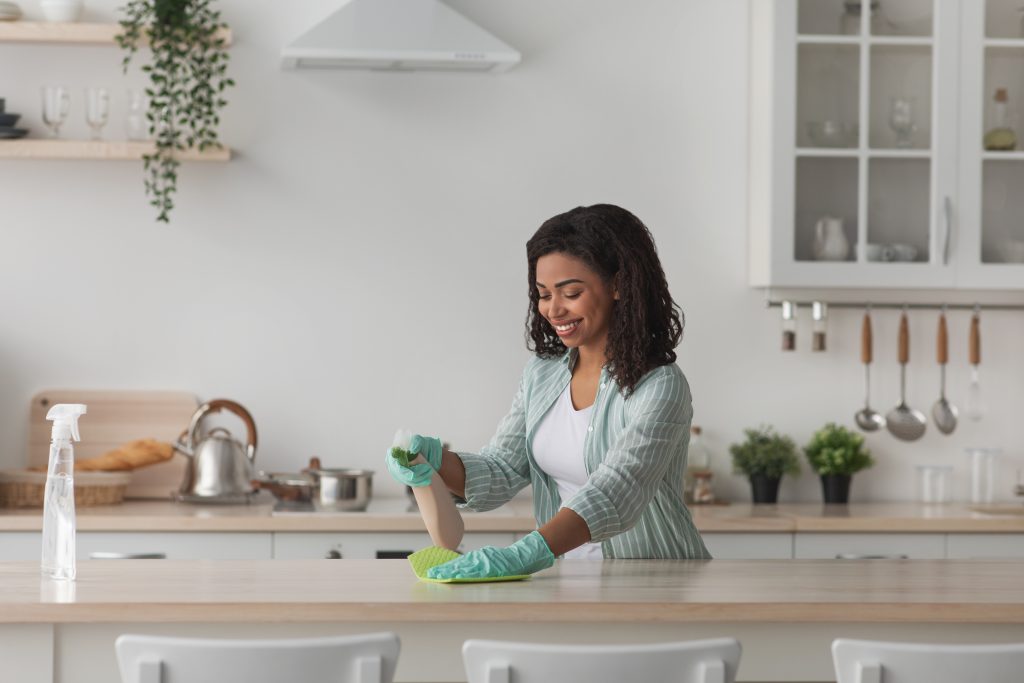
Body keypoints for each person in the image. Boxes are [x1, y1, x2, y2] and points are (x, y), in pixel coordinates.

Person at [386, 204, 710, 580]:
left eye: (570, 292)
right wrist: (435, 462)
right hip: (566, 581)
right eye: (543, 294)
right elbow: (502, 470)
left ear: (619, 285)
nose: (553, 310)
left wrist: (527, 552)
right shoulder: (542, 376)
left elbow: (619, 491)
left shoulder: (659, 385)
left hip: (655, 581)